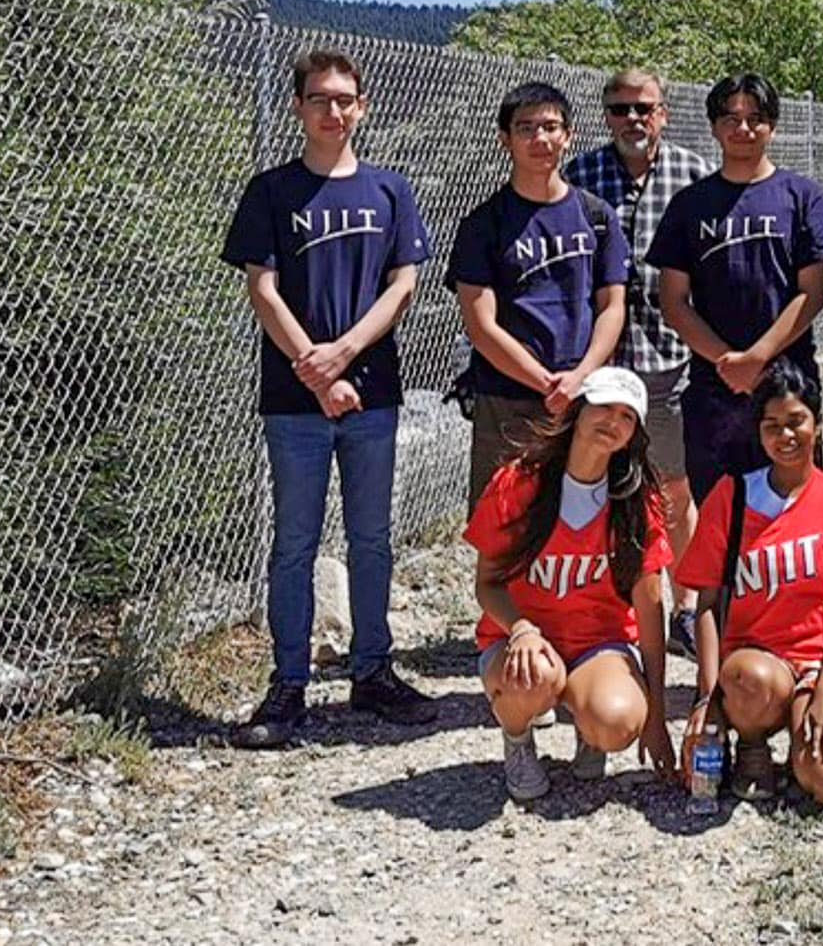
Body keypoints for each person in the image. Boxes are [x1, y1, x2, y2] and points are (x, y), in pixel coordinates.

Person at [221, 49, 437, 746]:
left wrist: (345, 354)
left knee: (372, 539)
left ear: (362, 106)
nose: (332, 111)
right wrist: (315, 369)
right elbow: (263, 288)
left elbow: (402, 286)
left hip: (372, 395)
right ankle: (288, 686)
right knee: (294, 542)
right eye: (319, 99)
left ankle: (373, 670)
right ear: (299, 107)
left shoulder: (389, 191)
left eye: (344, 99)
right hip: (295, 402)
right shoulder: (272, 191)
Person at [675, 362, 823, 809]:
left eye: (796, 422)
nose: (785, 436)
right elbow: (707, 605)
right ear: (759, 433)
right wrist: (707, 697)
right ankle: (752, 747)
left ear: (818, 425)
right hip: (759, 663)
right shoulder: (732, 498)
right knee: (745, 677)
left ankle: (801, 743)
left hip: (822, 662)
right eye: (772, 426)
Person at [466, 367, 675, 802]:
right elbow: (487, 585)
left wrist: (655, 717)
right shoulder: (520, 482)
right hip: (524, 641)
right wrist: (520, 628)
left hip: (597, 644)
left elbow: (651, 616)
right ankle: (518, 738)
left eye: (626, 416)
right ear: (577, 411)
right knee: (534, 675)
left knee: (617, 720)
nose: (612, 422)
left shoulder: (636, 502)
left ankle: (590, 728)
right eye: (603, 407)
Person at [565, 67, 710, 660]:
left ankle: (687, 607)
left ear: (664, 113)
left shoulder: (692, 174)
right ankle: (607, 608)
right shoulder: (579, 176)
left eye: (644, 108)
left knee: (673, 487)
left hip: (666, 354)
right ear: (606, 116)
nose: (633, 120)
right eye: (621, 108)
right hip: (597, 360)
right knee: (596, 485)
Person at [652, 74, 823, 506]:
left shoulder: (802, 196)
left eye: (755, 118)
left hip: (788, 382)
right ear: (714, 126)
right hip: (713, 387)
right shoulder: (690, 204)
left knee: (793, 508)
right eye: (731, 118)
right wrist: (727, 362)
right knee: (721, 514)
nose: (743, 129)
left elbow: (812, 293)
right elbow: (674, 300)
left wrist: (757, 360)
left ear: (772, 125)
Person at [448, 82, 630, 507]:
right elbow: (480, 325)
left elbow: (612, 306)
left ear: (567, 135)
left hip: (584, 399)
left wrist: (580, 376)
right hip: (507, 400)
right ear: (504, 138)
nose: (540, 139)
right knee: (501, 532)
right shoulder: (483, 224)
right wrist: (545, 382)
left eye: (550, 126)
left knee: (581, 525)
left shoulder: (596, 216)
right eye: (526, 128)